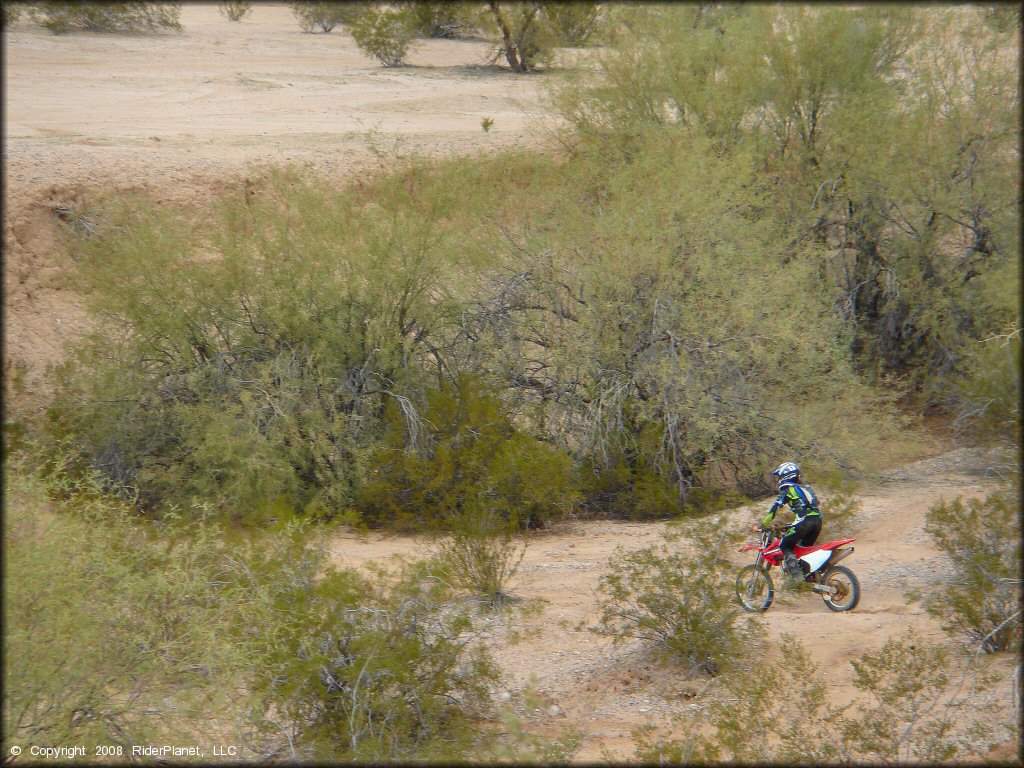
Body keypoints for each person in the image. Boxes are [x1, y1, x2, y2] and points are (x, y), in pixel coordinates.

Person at [759, 461, 822, 580]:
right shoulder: (805, 487)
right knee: (802, 549)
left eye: (780, 476)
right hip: (817, 520)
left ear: (786, 475)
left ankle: (797, 579)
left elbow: (776, 506)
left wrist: (764, 523)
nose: (779, 479)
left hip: (805, 521)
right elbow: (815, 502)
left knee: (784, 545)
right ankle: (810, 575)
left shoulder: (787, 488)